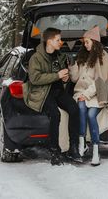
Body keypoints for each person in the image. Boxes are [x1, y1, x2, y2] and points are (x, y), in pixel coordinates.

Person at [23, 27, 82, 165]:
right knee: (55, 115)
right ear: (49, 41)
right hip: (42, 92)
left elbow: (62, 76)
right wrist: (57, 75)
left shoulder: (59, 55)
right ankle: (54, 150)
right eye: (58, 40)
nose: (61, 42)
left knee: (74, 108)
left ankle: (73, 147)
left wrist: (65, 79)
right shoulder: (36, 58)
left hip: (58, 91)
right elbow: (35, 79)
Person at [68, 26, 108, 166]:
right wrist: (73, 65)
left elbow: (101, 82)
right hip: (81, 93)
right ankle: (82, 143)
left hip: (99, 94)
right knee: (80, 108)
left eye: (87, 42)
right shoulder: (83, 57)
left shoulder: (103, 58)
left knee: (91, 115)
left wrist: (86, 95)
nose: (84, 44)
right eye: (84, 42)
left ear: (95, 41)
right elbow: (75, 79)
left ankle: (96, 150)